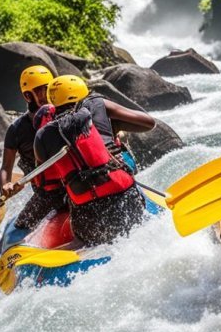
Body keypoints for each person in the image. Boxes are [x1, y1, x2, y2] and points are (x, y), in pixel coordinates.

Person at [34, 75, 146, 246]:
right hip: (127, 201)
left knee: (81, 235)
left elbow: (45, 186)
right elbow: (148, 123)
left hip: (89, 218)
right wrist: (114, 129)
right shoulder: (96, 109)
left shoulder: (42, 136)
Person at [0, 66, 68, 230]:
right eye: (41, 91)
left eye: (49, 89)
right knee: (20, 227)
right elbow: (5, 167)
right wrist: (5, 186)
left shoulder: (65, 114)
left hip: (74, 183)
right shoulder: (16, 129)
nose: (47, 95)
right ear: (28, 95)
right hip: (47, 193)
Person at [76, 86, 156, 172]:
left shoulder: (64, 125)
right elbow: (149, 123)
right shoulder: (96, 104)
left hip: (88, 178)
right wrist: (116, 125)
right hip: (118, 173)